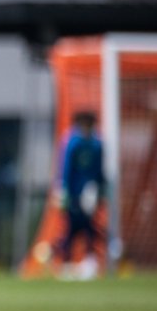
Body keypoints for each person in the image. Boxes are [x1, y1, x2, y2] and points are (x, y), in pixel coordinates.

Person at [54, 110, 106, 277]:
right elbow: (66, 168)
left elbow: (99, 170)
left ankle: (89, 262)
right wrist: (63, 190)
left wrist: (101, 190)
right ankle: (66, 263)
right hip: (73, 194)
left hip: (89, 193)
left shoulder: (97, 144)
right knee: (71, 228)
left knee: (90, 228)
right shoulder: (72, 143)